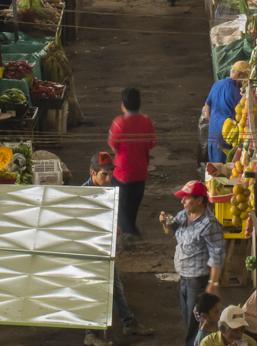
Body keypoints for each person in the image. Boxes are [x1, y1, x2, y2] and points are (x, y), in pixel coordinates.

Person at [82, 152, 154, 346]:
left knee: (116, 286)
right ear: (92, 172)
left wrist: (116, 226)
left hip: (107, 248)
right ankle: (91, 333)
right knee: (94, 288)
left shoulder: (110, 189)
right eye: (104, 174)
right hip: (90, 251)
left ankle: (128, 323)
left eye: (110, 173)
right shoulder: (82, 195)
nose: (108, 178)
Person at [159, 180, 225, 346]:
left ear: (199, 200)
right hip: (184, 276)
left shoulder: (209, 224)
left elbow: (217, 253)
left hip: (198, 280)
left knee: (195, 322)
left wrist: (213, 282)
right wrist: (165, 222)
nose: (182, 202)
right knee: (187, 317)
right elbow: (174, 229)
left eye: (186, 198)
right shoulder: (184, 214)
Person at [108, 88, 156, 239]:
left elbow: (113, 144)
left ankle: (130, 232)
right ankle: (131, 228)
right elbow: (151, 143)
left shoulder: (119, 123)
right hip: (141, 170)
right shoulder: (146, 121)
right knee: (134, 203)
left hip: (122, 172)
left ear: (123, 105)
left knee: (118, 204)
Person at [201, 60, 250, 163]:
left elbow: (206, 107)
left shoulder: (217, 84)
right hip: (227, 136)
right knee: (224, 172)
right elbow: (242, 115)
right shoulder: (237, 92)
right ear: (239, 74)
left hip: (213, 133)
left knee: (214, 170)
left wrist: (214, 122)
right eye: (244, 77)